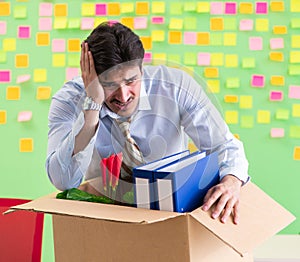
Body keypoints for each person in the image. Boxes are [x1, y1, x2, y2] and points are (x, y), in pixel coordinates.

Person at [46, 21, 249, 224]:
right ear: (91, 78)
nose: (123, 96)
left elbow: (223, 145)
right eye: (109, 85)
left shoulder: (175, 86)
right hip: (107, 219)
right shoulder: (69, 101)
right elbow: (63, 181)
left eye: (131, 80)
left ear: (142, 69)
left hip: (171, 215)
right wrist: (91, 110)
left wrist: (231, 180)